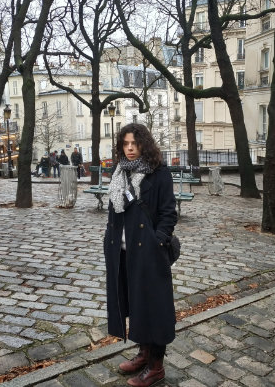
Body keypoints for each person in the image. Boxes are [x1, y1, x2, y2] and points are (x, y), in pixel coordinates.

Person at [103, 123, 177, 387]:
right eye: (125, 143)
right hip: (122, 251)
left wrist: (157, 243)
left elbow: (169, 213)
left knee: (153, 308)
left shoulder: (159, 174)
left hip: (149, 252)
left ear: (145, 144)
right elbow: (116, 211)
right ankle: (144, 354)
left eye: (134, 143)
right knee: (135, 304)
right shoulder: (119, 171)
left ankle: (156, 366)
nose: (130, 148)